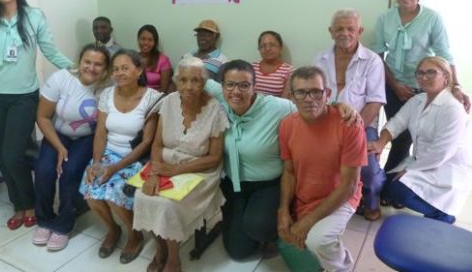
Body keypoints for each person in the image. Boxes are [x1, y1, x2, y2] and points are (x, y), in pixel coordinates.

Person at [204, 60, 359, 260]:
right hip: (234, 184)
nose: (236, 91)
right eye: (230, 85)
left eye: (244, 85)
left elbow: (313, 105)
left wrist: (340, 106)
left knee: (259, 227)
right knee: (239, 251)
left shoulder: (278, 108)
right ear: (222, 86)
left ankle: (265, 233)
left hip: (267, 183)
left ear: (254, 86)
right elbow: (198, 76)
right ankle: (241, 225)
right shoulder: (220, 102)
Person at [0, 0, 73, 230]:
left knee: (13, 155)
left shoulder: (34, 16)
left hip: (24, 97)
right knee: (4, 157)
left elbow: (50, 51)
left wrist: (79, 70)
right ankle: (20, 206)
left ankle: (29, 203)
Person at [133, 56, 228, 272]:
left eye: (195, 80)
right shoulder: (168, 102)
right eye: (183, 80)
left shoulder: (216, 110)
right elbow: (156, 145)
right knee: (143, 195)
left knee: (167, 205)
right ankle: (161, 248)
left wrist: (175, 170)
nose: (189, 86)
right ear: (177, 81)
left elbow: (214, 158)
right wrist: (155, 173)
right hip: (164, 164)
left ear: (204, 82)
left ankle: (173, 259)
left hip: (200, 171)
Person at [372, 0, 470, 174]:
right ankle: (391, 179)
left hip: (422, 86)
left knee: (408, 138)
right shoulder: (385, 19)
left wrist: (456, 86)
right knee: (397, 134)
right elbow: (379, 56)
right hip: (392, 85)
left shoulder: (432, 18)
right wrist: (395, 86)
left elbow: (445, 55)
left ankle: (394, 179)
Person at [278, 66, 367, 272]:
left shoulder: (349, 125)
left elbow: (349, 186)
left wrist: (308, 221)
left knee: (318, 240)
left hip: (342, 196)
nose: (309, 98)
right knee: (285, 233)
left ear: (327, 94)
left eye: (316, 92)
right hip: (305, 195)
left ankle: (342, 267)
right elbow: (289, 171)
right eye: (301, 92)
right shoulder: (286, 126)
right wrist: (283, 210)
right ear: (291, 96)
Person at [79, 49, 163, 264]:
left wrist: (115, 168)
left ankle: (134, 234)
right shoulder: (106, 94)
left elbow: (146, 142)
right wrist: (97, 162)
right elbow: (100, 132)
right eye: (115, 69)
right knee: (91, 190)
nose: (119, 73)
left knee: (113, 194)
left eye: (125, 68)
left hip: (135, 158)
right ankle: (113, 229)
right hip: (107, 154)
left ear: (139, 70)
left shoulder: (152, 98)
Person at [368, 56, 472, 224]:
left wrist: (411, 169)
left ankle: (441, 213)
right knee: (385, 185)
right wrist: (381, 143)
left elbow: (442, 152)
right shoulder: (418, 100)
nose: (424, 77)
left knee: (397, 189)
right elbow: (397, 122)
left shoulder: (453, 108)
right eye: (420, 73)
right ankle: (427, 202)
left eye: (431, 73)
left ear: (446, 77)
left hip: (447, 169)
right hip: (424, 160)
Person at [32, 44, 110, 251]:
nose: (91, 67)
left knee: (71, 172)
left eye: (98, 64)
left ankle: (63, 225)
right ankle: (44, 220)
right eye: (87, 62)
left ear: (105, 68)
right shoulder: (61, 79)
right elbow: (42, 116)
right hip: (57, 133)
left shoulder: (108, 88)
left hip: (86, 138)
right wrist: (59, 147)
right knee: (44, 170)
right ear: (79, 62)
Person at [315, 8, 386, 221]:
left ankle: (371, 201)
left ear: (360, 31)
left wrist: (355, 130)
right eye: (339, 29)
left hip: (362, 125)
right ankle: (334, 201)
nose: (344, 33)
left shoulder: (372, 60)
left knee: (369, 175)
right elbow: (315, 97)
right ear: (331, 31)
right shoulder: (319, 59)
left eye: (350, 29)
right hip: (327, 124)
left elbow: (375, 101)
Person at [252, 30, 293, 97]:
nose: (267, 49)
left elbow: (284, 101)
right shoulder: (251, 68)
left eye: (272, 45)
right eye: (263, 46)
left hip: (277, 107)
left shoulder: (289, 71)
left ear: (280, 48)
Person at [137, 24, 173, 92]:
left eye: (150, 40)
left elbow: (163, 90)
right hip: (135, 98)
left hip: (156, 99)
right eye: (143, 39)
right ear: (138, 40)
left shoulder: (163, 60)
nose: (146, 43)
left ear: (155, 42)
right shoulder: (132, 58)